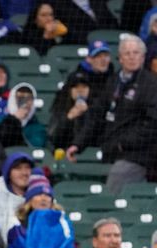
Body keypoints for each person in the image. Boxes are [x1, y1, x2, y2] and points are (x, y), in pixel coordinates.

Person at [67, 34, 157, 194]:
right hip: (112, 151)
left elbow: (152, 124)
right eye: (127, 53)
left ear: (143, 57)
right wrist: (78, 144)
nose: (132, 57)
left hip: (140, 155)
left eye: (136, 53)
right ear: (120, 58)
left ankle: (107, 214)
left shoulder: (151, 85)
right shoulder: (113, 82)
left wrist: (124, 143)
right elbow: (97, 115)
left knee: (117, 178)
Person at [6, 174, 74, 248]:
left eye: (47, 195)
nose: (43, 198)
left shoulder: (63, 222)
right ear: (29, 199)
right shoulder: (17, 226)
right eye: (38, 194)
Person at [0, 82, 47, 147]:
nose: (24, 102)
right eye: (20, 98)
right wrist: (13, 120)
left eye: (28, 98)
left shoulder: (37, 127)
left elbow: (35, 147)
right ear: (12, 100)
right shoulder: (0, 121)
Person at [47, 70, 91, 149]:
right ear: (69, 89)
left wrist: (87, 114)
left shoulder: (97, 108)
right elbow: (53, 138)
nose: (80, 90)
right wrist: (69, 118)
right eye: (76, 87)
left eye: (84, 86)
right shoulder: (60, 108)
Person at [53, 0, 118, 46]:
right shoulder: (59, 4)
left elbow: (111, 21)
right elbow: (69, 32)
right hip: (82, 44)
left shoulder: (98, 2)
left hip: (107, 41)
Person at [74, 39, 114, 104]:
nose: (103, 60)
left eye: (106, 55)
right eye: (98, 56)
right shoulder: (79, 78)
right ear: (89, 59)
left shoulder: (114, 76)